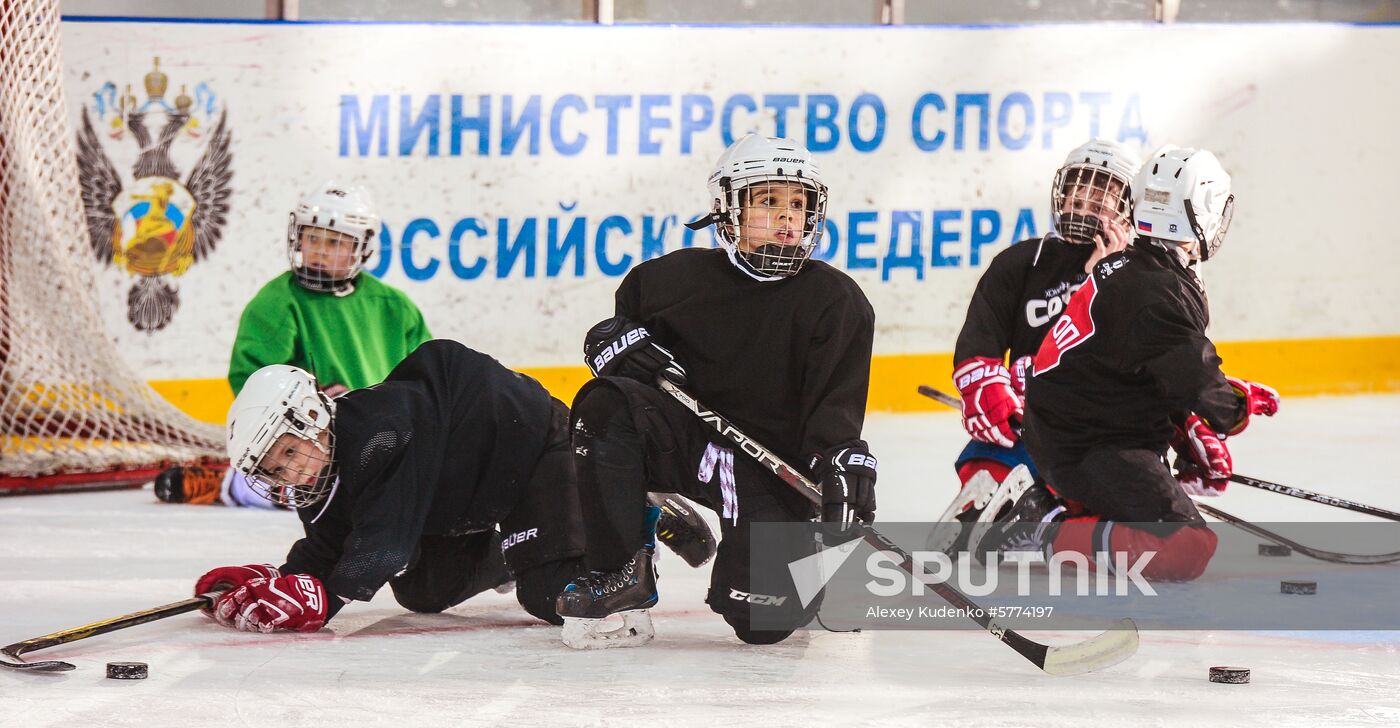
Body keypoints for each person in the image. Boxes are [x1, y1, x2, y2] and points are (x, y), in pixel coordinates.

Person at [553, 134, 877, 648]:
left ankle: (797, 556)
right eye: (768, 201)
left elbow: (832, 416)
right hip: (683, 441)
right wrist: (605, 341)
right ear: (728, 209)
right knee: (604, 404)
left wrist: (841, 457)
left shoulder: (837, 302)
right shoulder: (660, 283)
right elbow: (625, 377)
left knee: (762, 624)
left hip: (766, 468)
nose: (788, 218)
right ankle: (621, 569)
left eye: (799, 203)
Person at [980, 146, 1280, 582]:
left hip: (1080, 433)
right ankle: (1039, 527)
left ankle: (1064, 507)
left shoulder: (1137, 267)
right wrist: (1234, 407)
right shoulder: (1157, 290)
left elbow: (1143, 365)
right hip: (1091, 447)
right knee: (1187, 549)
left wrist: (1182, 429)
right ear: (1204, 210)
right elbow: (1204, 388)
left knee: (1159, 526)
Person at [192, 340, 586, 631]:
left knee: (554, 597)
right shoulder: (320, 469)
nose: (289, 475)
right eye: (274, 471)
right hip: (470, 493)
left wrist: (321, 602)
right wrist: (279, 580)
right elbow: (331, 546)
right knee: (425, 590)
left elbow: (385, 546)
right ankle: (513, 554)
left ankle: (621, 545)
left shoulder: (377, 435)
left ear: (311, 416)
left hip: (534, 449)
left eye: (290, 454)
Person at [155, 181, 430, 507]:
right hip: (308, 445)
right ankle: (228, 485)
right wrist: (307, 407)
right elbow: (251, 384)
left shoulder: (395, 306)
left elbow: (425, 379)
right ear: (296, 236)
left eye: (336, 242)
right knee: (321, 492)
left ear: (362, 247)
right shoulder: (275, 302)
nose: (320, 251)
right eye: (312, 237)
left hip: (384, 440)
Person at [938, 140, 1140, 542]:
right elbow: (981, 339)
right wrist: (990, 390)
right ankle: (996, 495)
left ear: (1127, 207)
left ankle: (1048, 525)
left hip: (1100, 430)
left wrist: (1106, 280)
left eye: (1102, 193)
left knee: (1120, 517)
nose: (1085, 201)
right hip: (1028, 421)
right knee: (993, 462)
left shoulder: (1141, 275)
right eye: (1078, 188)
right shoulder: (1021, 263)